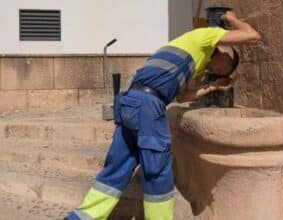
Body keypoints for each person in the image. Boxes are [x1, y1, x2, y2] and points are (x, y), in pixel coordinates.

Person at [66, 11, 260, 220]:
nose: (218, 72)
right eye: (224, 70)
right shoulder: (206, 36)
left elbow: (182, 97)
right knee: (157, 171)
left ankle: (82, 217)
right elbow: (252, 35)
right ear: (225, 54)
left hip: (129, 100)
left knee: (118, 166)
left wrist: (212, 86)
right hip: (148, 107)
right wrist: (232, 20)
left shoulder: (190, 53)